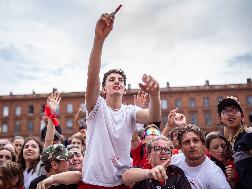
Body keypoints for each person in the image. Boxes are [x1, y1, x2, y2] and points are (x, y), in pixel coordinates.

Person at [80, 11, 161, 188]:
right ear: (103, 89)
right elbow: (92, 76)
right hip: (92, 182)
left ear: (124, 89)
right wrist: (99, 39)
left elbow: (153, 116)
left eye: (121, 80)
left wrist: (155, 95)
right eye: (111, 79)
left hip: (122, 182)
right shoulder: (96, 107)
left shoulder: (130, 111)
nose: (117, 81)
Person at [171, 124, 230, 189]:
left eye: (196, 140)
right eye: (186, 142)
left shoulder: (215, 174)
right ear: (180, 147)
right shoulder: (174, 160)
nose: (192, 145)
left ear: (203, 144)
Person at [123, 136, 191, 189]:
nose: (163, 152)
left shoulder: (176, 172)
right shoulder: (140, 172)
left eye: (167, 150)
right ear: (149, 156)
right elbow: (126, 177)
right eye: (158, 148)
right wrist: (149, 173)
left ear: (171, 156)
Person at [217, 96, 252, 189]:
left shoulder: (249, 135)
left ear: (242, 116)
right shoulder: (232, 141)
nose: (230, 114)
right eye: (225, 111)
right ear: (220, 119)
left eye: (235, 110)